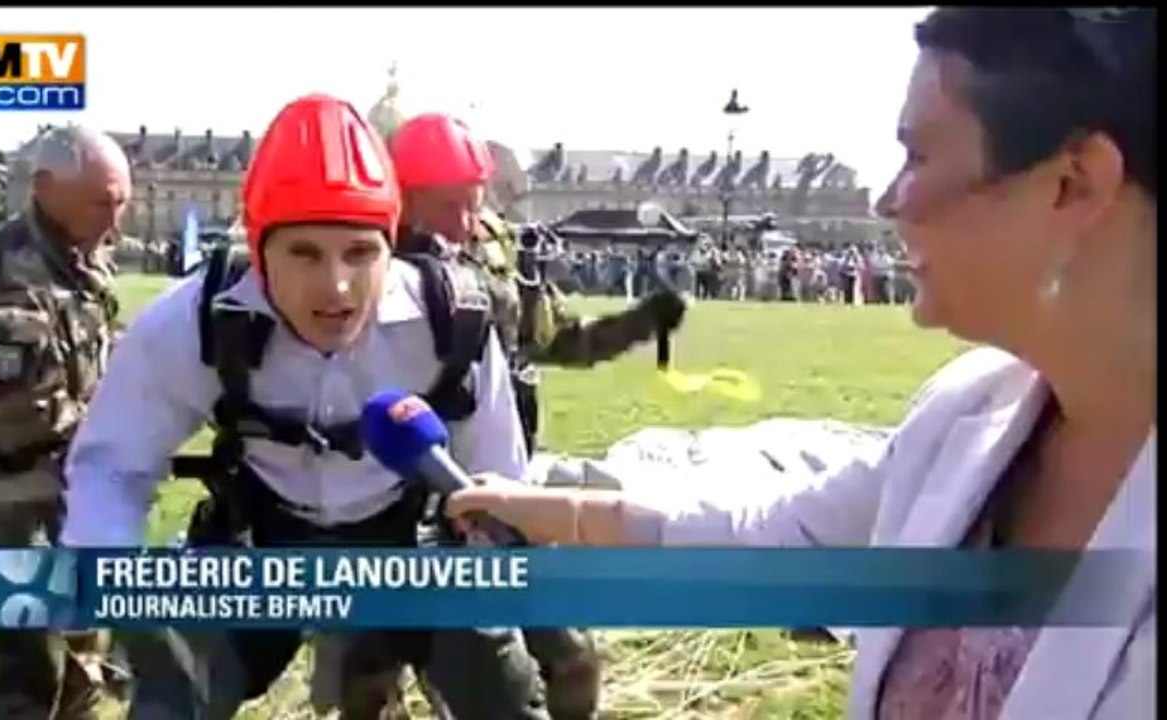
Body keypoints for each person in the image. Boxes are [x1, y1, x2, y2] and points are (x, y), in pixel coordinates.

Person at [444, 8, 1156, 719]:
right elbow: (772, 536)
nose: (885, 201)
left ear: (1072, 184)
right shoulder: (964, 413)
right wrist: (558, 514)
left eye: (917, 156)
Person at [59, 93, 547, 720]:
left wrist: (491, 577)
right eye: (305, 254)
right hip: (262, 550)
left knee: (503, 698)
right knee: (171, 693)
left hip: (410, 552)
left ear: (390, 246)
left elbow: (500, 477)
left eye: (361, 253)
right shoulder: (195, 322)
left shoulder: (452, 321)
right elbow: (113, 465)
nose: (338, 288)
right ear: (260, 250)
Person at [383, 112, 686, 720]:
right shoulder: (369, 271)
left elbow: (560, 340)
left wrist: (638, 323)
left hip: (507, 496)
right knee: (413, 688)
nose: (464, 224)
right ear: (404, 200)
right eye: (447, 207)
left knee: (573, 660)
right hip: (407, 520)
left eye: (474, 204)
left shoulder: (495, 255)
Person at [0, 125, 130, 719]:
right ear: (45, 188)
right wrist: (126, 433)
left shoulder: (77, 261)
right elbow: (20, 418)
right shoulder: (5, 280)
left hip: (61, 502)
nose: (113, 220)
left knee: (79, 670)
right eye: (100, 202)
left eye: (121, 201)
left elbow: (91, 356)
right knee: (17, 680)